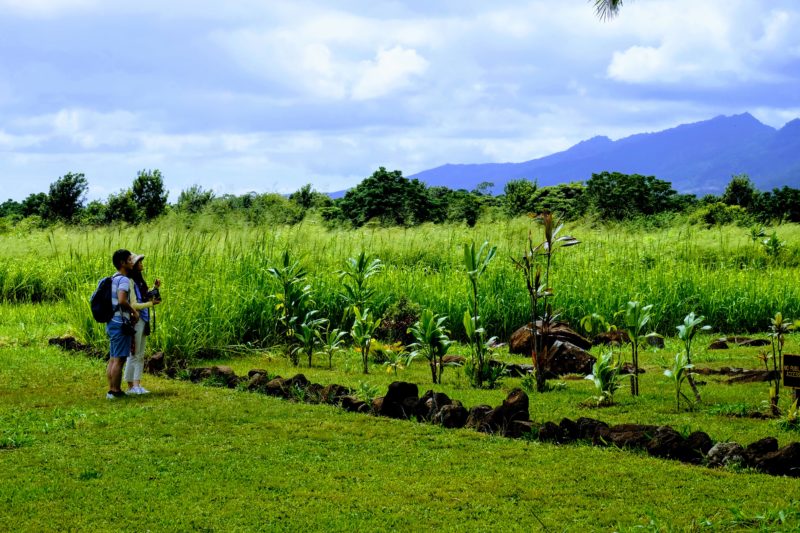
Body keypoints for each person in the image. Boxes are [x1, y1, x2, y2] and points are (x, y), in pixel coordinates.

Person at [125, 253, 161, 394]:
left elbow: (144, 296)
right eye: (139, 262)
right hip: (136, 319)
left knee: (140, 353)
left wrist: (155, 288)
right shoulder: (130, 281)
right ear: (134, 266)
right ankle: (131, 386)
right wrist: (150, 303)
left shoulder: (139, 281)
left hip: (143, 319)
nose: (141, 263)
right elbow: (134, 304)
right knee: (134, 353)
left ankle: (137, 384)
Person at [106, 249, 138, 399]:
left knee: (113, 357)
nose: (132, 262)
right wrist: (134, 311)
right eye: (130, 260)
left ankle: (111, 390)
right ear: (122, 263)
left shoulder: (113, 278)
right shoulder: (124, 280)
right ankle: (115, 391)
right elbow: (122, 300)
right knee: (120, 358)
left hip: (112, 321)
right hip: (120, 322)